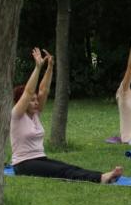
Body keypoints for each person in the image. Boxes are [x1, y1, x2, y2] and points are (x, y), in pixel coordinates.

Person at [11, 48, 123, 183]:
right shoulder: (16, 115)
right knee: (63, 171)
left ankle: (103, 176)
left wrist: (50, 68)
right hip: (24, 164)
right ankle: (101, 178)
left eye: (36, 100)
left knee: (68, 167)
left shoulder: (35, 114)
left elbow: (43, 90)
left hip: (39, 158)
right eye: (32, 100)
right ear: (20, 102)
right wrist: (38, 67)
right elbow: (28, 92)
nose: (36, 102)